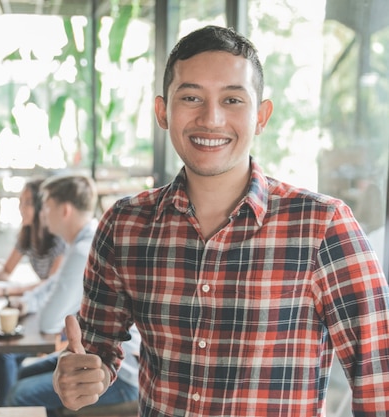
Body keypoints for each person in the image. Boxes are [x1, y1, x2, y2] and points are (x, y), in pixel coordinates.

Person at [52, 25, 389, 416]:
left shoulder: (322, 225)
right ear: (163, 112)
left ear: (261, 116)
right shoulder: (124, 225)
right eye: (191, 97)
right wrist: (81, 375)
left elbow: (378, 373)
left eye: (232, 99)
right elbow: (97, 346)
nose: (211, 118)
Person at [0, 174, 98, 407]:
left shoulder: (82, 251)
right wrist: (27, 302)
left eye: (47, 206)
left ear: (65, 211)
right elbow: (52, 284)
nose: (43, 213)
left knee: (17, 393)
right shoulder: (80, 241)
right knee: (15, 377)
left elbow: (48, 322)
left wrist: (32, 306)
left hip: (107, 368)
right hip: (90, 354)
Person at [6, 320, 140, 417]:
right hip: (85, 350)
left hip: (125, 376)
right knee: (23, 373)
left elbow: (49, 321)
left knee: (18, 395)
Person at [0, 177, 66, 297]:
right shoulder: (27, 234)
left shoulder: (59, 238)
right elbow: (6, 271)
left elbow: (50, 284)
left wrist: (3, 291)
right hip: (42, 297)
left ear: (42, 206)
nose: (21, 208)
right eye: (20, 202)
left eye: (28, 203)